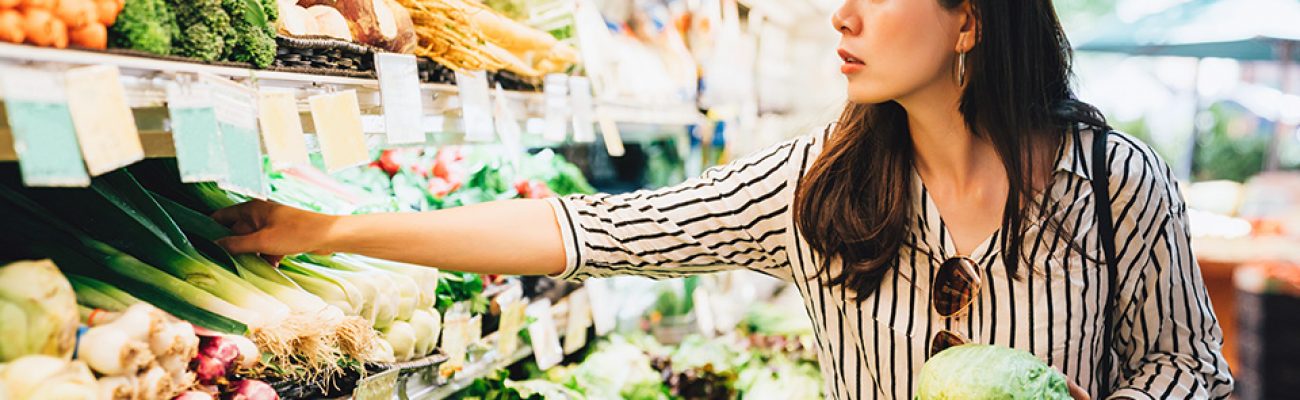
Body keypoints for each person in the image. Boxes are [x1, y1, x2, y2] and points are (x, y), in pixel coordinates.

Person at [212, 0, 1233, 398]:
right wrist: (331, 227)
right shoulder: (817, 186)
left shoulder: (1111, 184)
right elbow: (595, 229)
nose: (842, 15)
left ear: (967, 20)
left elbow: (1188, 367)